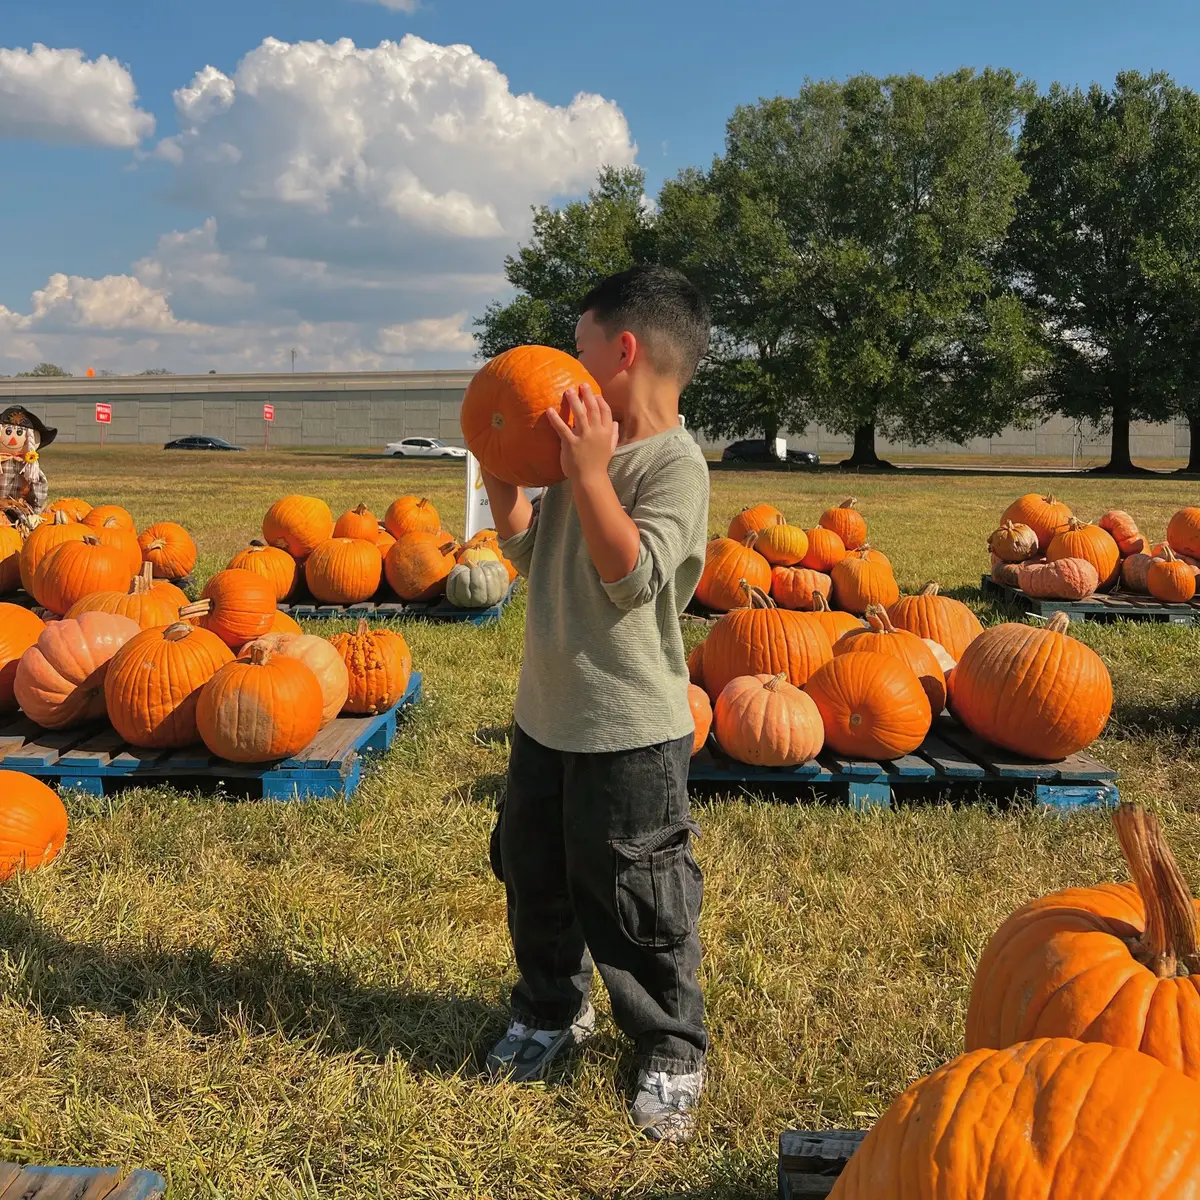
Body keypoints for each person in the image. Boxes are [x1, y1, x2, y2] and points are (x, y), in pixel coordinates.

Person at [481, 266, 712, 1143]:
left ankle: (669, 1042)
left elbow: (631, 576)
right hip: (547, 718)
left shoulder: (671, 466)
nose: (565, 374)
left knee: (636, 895)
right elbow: (533, 551)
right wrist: (500, 464)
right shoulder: (588, 463)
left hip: (630, 734)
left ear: (623, 355)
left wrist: (586, 473)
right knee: (535, 875)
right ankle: (549, 1009)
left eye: (575, 355)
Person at [0, 404, 56, 519]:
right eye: (8, 432)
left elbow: (39, 484)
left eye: (19, 433)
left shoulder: (29, 466)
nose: (13, 439)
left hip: (19, 506)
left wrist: (36, 509)